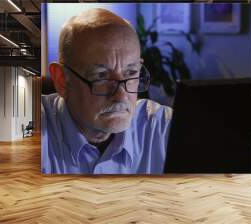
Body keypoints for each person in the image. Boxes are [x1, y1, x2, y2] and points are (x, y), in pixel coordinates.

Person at [41, 8, 172, 174]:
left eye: (131, 73)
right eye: (101, 76)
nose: (121, 96)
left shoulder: (159, 128)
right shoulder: (37, 132)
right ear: (61, 80)